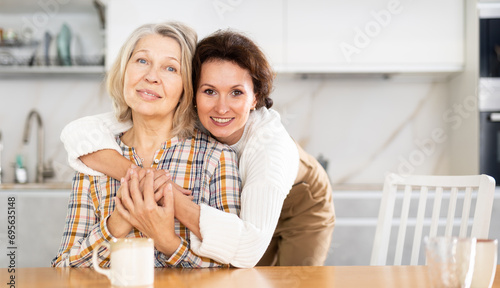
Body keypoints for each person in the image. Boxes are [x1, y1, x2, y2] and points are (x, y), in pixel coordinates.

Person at [60, 29, 335, 267]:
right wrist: (141, 177)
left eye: (237, 92)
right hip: (239, 217)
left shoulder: (267, 150)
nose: (221, 107)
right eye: (209, 91)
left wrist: (163, 199)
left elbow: (247, 251)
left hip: (299, 204)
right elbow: (78, 134)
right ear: (193, 94)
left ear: (256, 99)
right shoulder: (184, 115)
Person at [51, 22, 241, 268]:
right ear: (124, 70)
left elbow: (233, 271)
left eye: (170, 68)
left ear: (187, 86)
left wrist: (168, 242)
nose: (151, 77)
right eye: (142, 61)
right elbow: (64, 268)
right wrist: (117, 223)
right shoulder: (93, 158)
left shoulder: (216, 159)